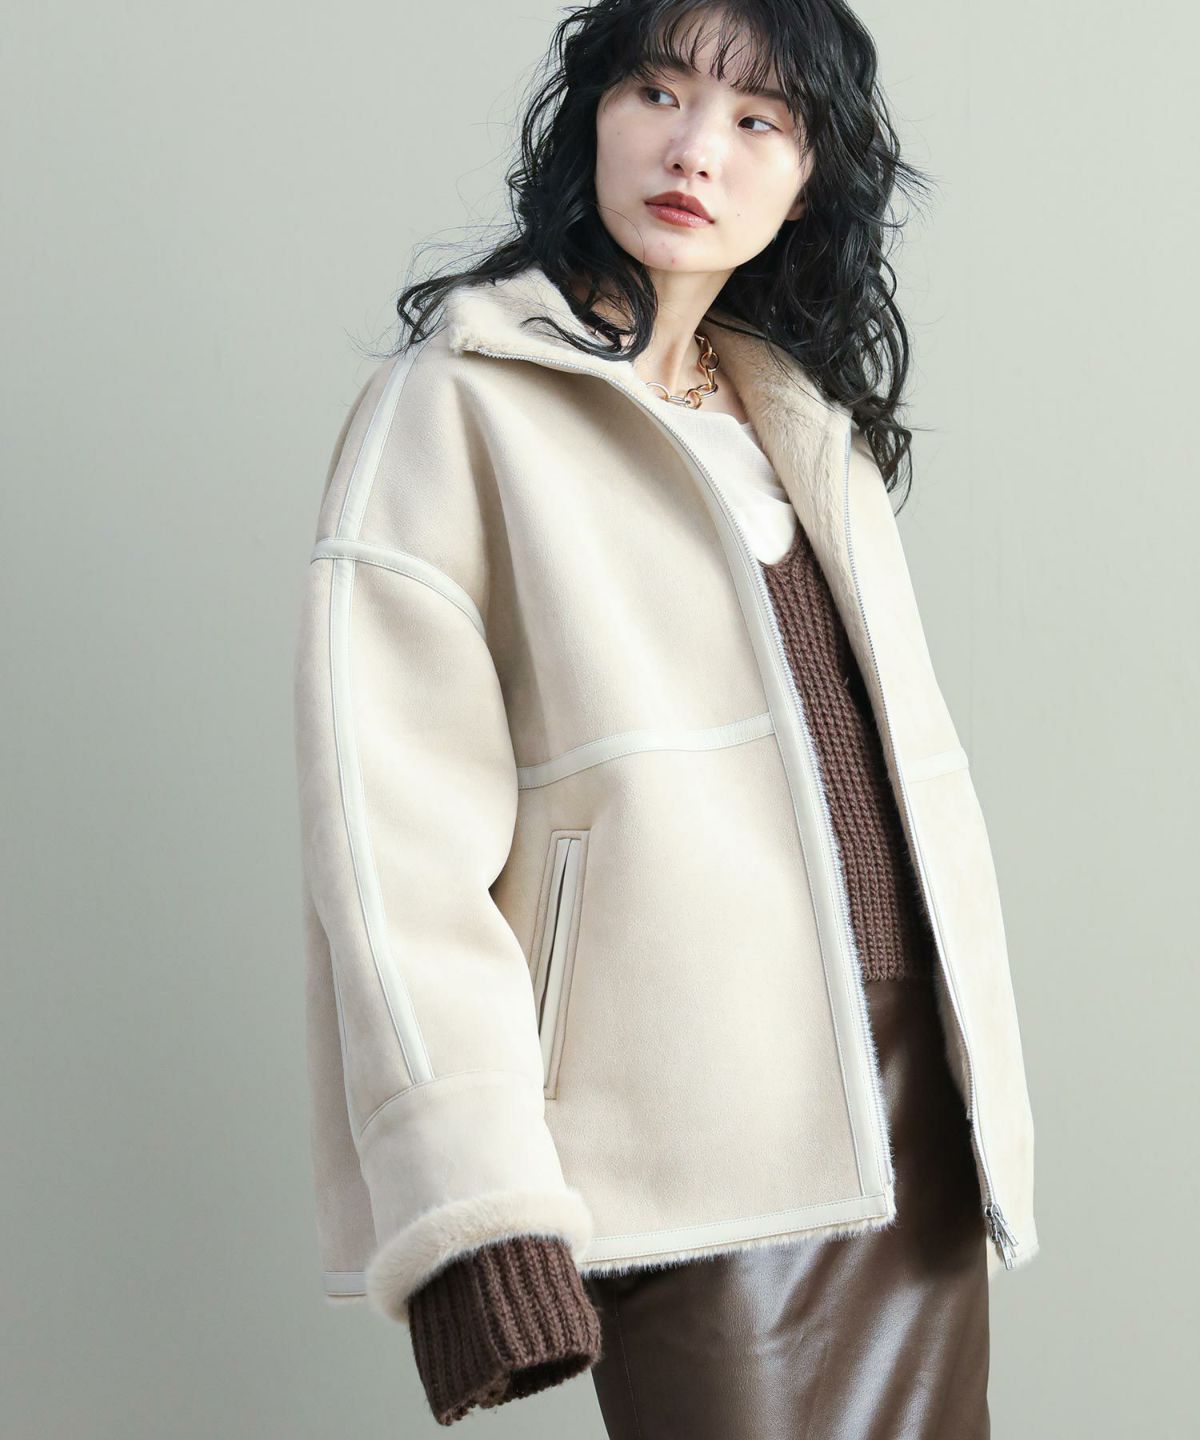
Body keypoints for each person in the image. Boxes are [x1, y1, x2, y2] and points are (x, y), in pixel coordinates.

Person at [290, 1, 1039, 1433]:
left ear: (808, 182)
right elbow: (390, 851)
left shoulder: (801, 426)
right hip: (684, 1130)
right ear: (594, 116)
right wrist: (479, 1206)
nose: (697, 148)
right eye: (658, 92)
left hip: (909, 1118)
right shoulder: (457, 406)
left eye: (760, 120)